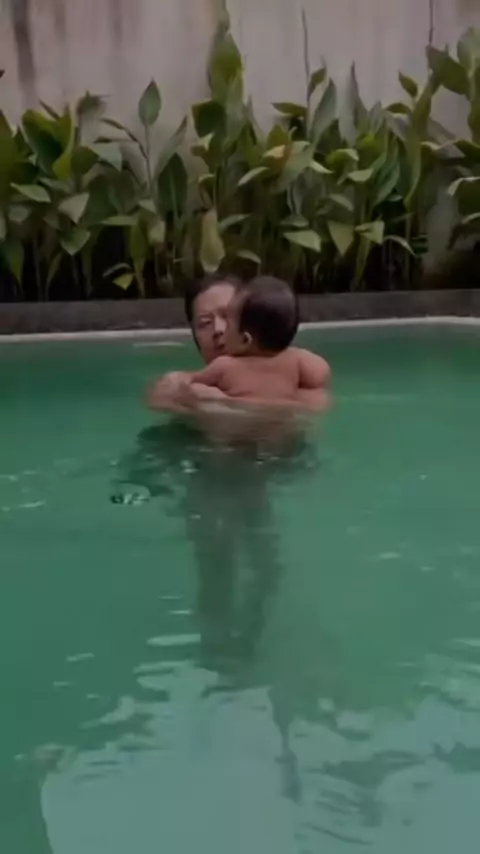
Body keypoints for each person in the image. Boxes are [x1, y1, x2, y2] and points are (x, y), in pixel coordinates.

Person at [145, 274, 330, 415]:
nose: (218, 329)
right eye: (205, 323)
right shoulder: (187, 386)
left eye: (227, 316)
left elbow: (310, 411)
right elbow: (159, 397)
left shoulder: (301, 380)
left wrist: (230, 405)